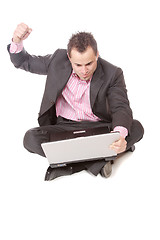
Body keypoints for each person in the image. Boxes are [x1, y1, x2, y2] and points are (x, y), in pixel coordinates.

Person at [7, 23, 144, 180]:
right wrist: (17, 41)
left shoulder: (113, 73)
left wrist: (119, 136)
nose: (84, 70)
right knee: (30, 138)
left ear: (97, 55)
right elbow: (24, 61)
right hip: (65, 127)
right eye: (78, 64)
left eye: (89, 63)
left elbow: (121, 107)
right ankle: (99, 160)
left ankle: (67, 161)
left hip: (98, 127)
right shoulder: (57, 61)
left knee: (136, 127)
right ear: (69, 57)